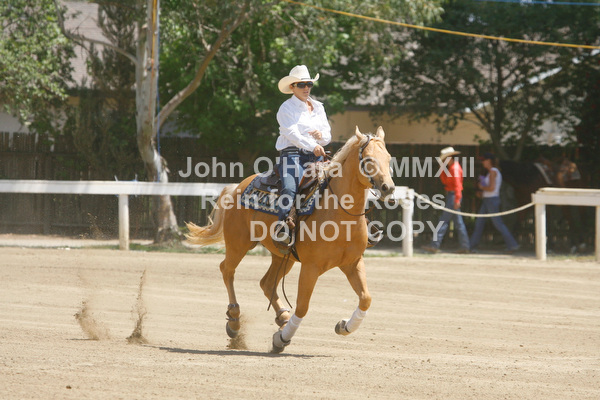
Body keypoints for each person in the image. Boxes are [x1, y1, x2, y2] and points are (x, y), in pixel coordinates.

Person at [273, 65, 331, 243]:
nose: (306, 88)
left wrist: (321, 136)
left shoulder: (318, 107)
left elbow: (328, 134)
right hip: (293, 155)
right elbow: (292, 134)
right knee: (290, 188)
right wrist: (313, 145)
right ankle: (282, 226)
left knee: (341, 183)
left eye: (309, 84)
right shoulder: (286, 108)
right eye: (301, 84)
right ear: (292, 87)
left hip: (317, 155)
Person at [422, 147, 470, 254]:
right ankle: (465, 246)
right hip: (452, 196)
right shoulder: (452, 168)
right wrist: (442, 169)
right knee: (458, 223)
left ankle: (435, 245)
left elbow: (457, 186)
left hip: (453, 196)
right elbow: (445, 181)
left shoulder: (454, 169)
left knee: (443, 221)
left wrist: (457, 199)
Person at [469, 152, 520, 253]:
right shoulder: (490, 172)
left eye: (484, 160)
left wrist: (481, 187)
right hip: (488, 200)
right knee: (480, 223)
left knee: (498, 224)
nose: (482, 162)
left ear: (489, 161)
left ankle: (513, 245)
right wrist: (482, 192)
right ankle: (471, 246)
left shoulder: (493, 172)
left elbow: (492, 188)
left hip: (491, 200)